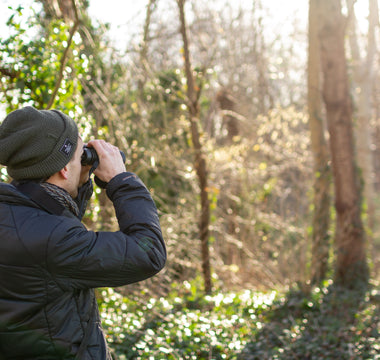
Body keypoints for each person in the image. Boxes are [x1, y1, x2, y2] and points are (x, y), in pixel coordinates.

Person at [0, 106, 166, 359]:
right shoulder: (54, 239)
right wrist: (121, 181)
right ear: (64, 169)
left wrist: (80, 180)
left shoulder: (16, 213)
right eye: (81, 155)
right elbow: (149, 253)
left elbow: (51, 227)